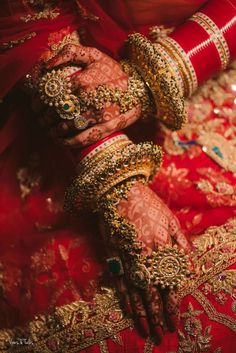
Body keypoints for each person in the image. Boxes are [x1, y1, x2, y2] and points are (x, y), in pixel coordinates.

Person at [0, 1, 235, 352]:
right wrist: (116, 182)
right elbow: (30, 22)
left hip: (213, 74)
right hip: (74, 114)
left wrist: (149, 81)